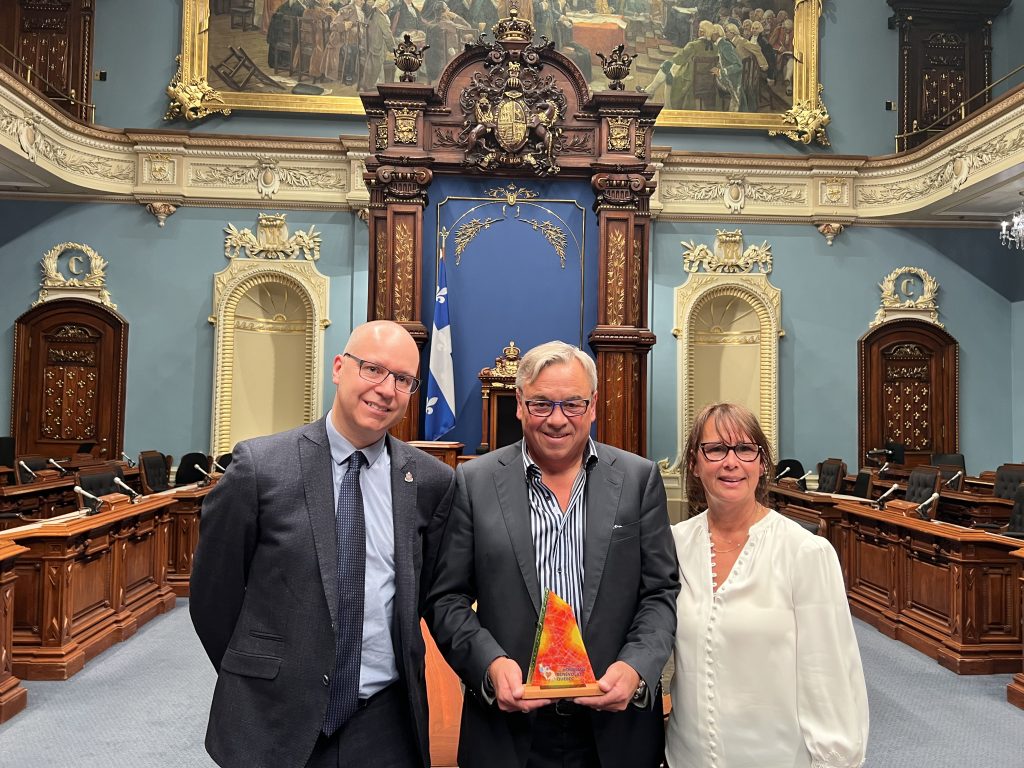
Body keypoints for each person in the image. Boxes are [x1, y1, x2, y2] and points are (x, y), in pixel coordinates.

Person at [190, 320, 455, 768]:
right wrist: (259, 675)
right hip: (274, 714)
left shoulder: (430, 482)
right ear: (339, 367)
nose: (385, 389)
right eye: (372, 369)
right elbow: (213, 597)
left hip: (384, 719)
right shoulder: (259, 467)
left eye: (403, 379)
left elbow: (430, 595)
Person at [426, 340, 679, 768]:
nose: (557, 419)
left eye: (572, 404)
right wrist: (488, 665)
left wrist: (636, 667)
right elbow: (446, 599)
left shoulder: (638, 479)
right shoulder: (474, 482)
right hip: (508, 730)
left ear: (593, 405)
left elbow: (660, 593)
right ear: (520, 405)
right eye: (541, 404)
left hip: (615, 730)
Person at [666, 402, 869, 768]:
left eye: (745, 449)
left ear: (762, 464)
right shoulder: (674, 545)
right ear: (694, 464)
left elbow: (829, 675)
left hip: (776, 755)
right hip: (688, 755)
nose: (731, 462)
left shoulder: (805, 552)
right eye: (715, 449)